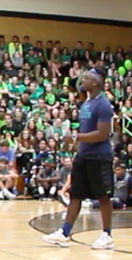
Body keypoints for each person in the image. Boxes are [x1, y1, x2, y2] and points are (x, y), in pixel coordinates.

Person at [42, 69, 116, 250]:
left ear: (96, 82)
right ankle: (65, 233)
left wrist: (76, 137)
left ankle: (107, 235)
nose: (83, 80)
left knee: (103, 196)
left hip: (99, 156)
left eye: (88, 78)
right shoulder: (86, 103)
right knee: (76, 194)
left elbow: (102, 134)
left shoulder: (104, 105)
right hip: (83, 155)